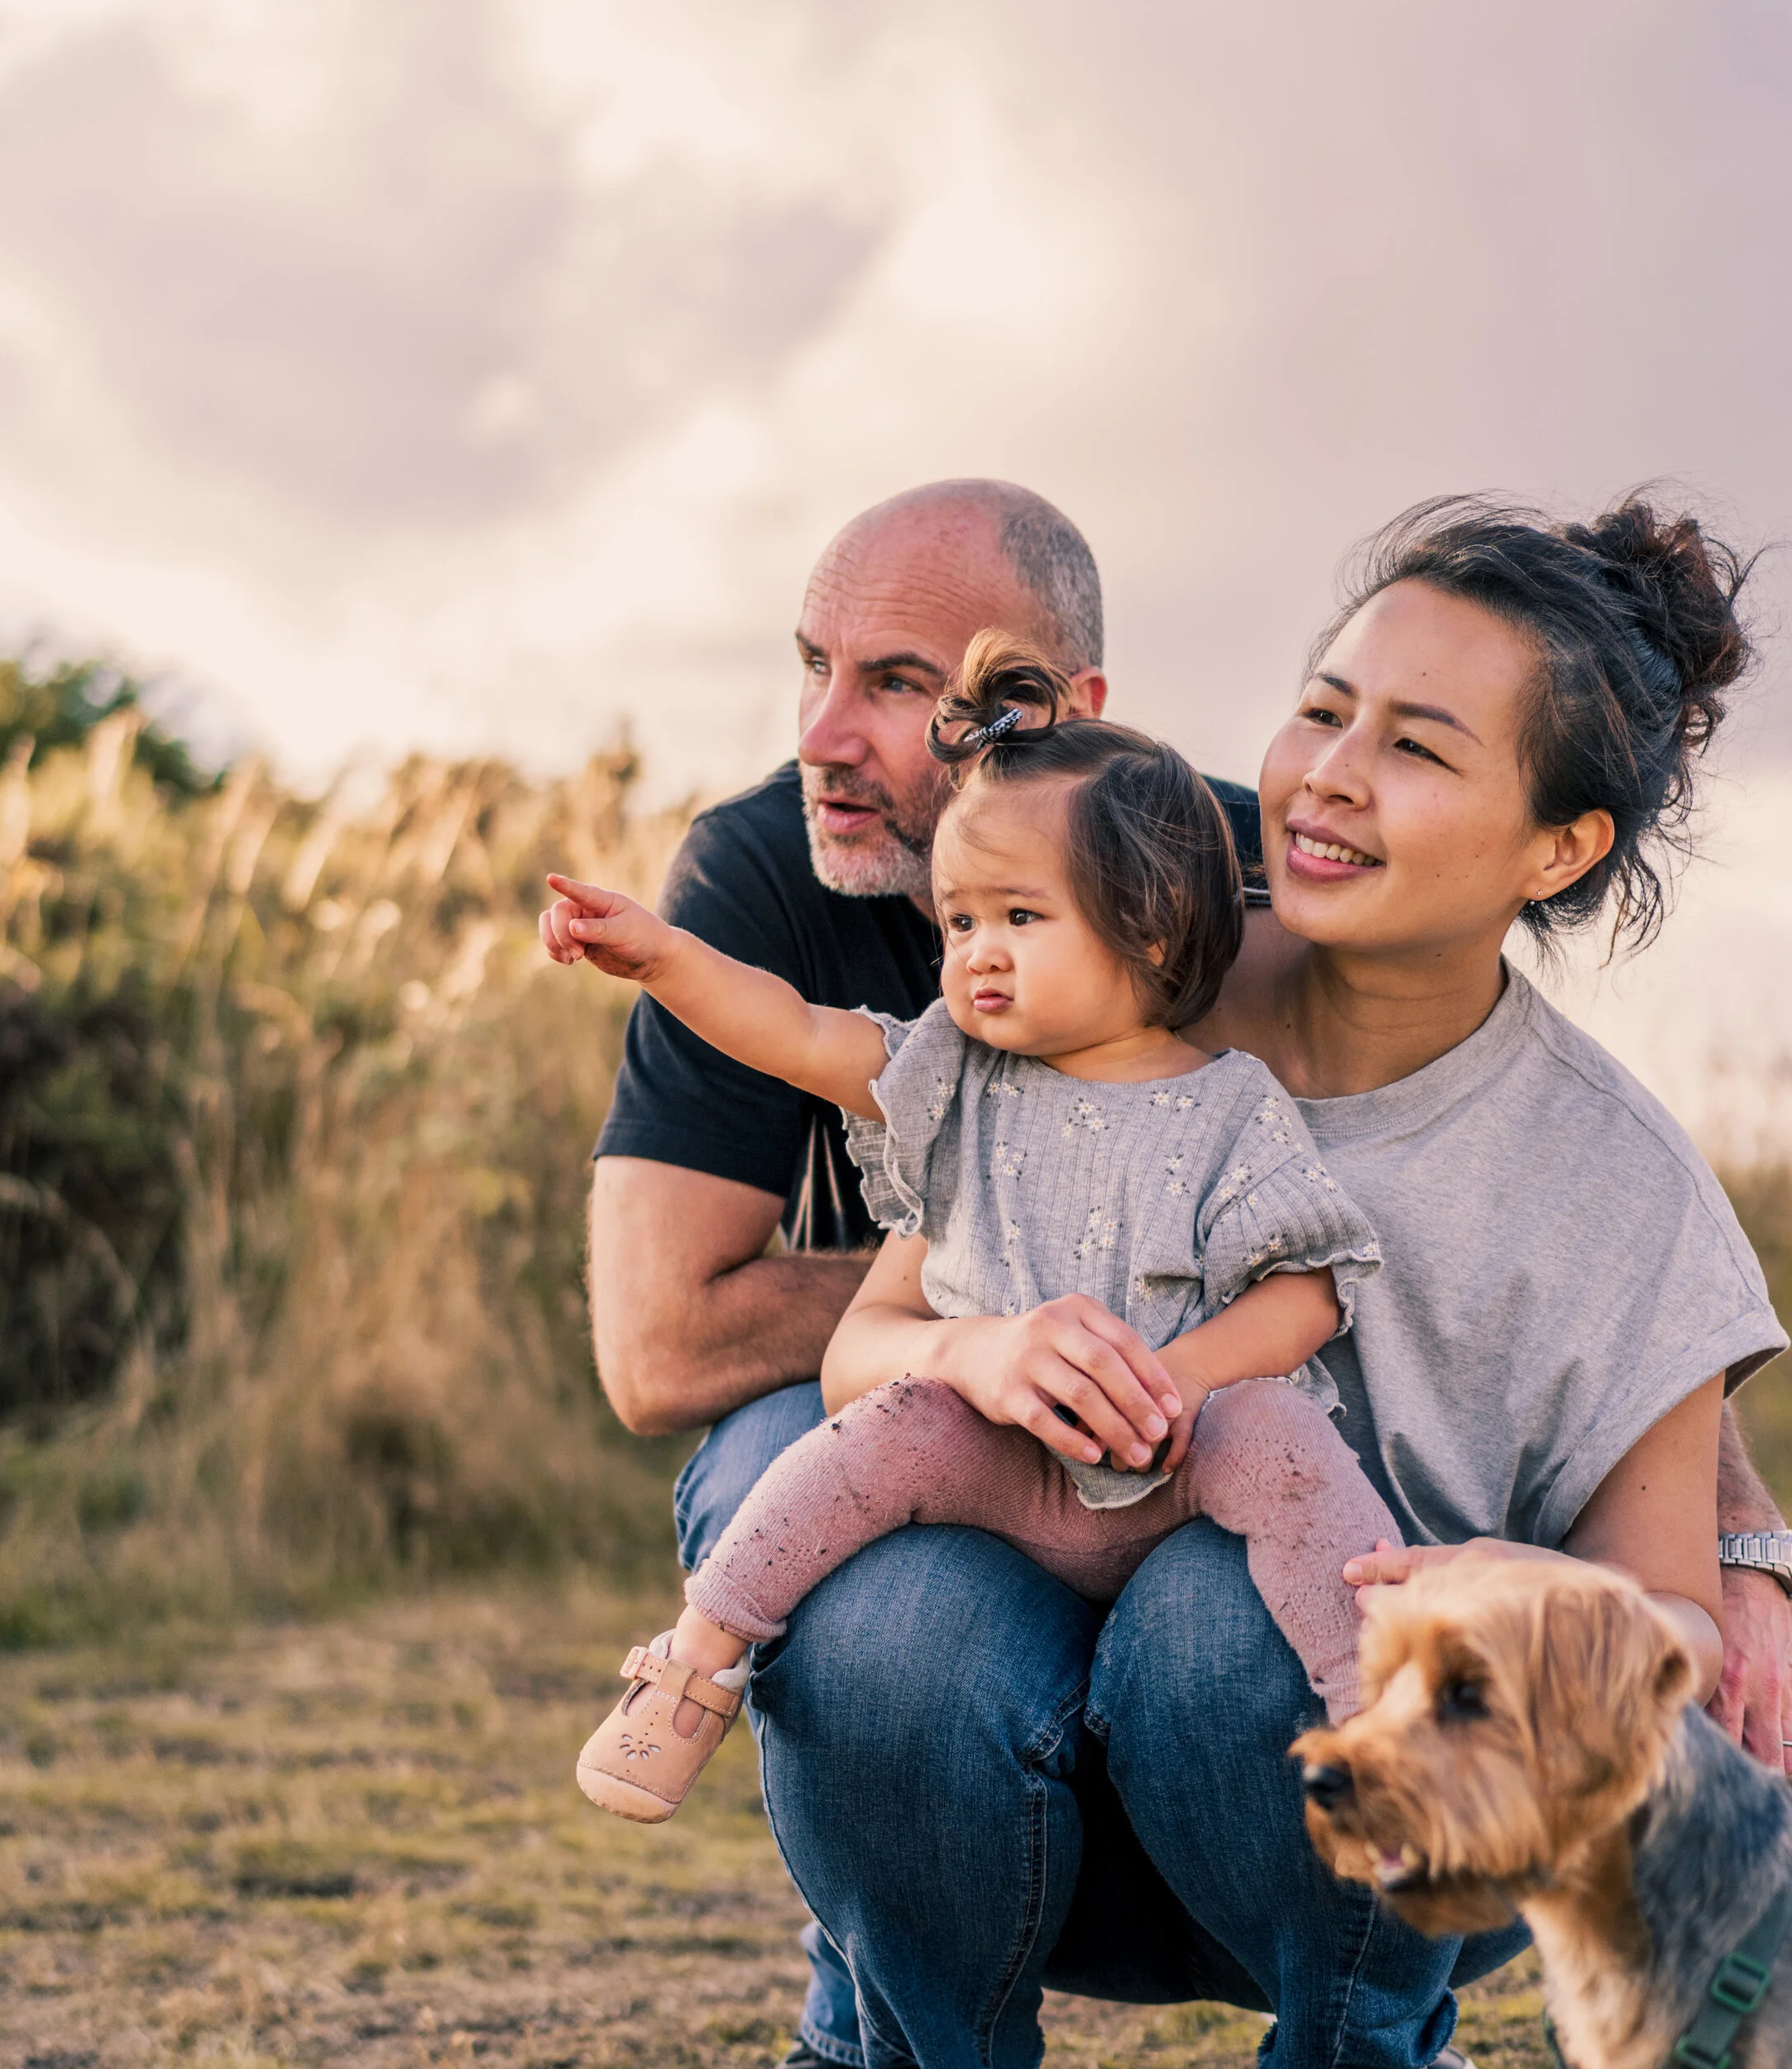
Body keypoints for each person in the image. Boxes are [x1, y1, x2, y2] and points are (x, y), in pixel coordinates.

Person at [587, 480, 1792, 2069]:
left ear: (1555, 849)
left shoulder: (1611, 1184)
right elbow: (867, 1346)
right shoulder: (1102, 981)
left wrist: (1623, 1579)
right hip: (1023, 1798)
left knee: (1207, 1613)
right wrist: (972, 1350)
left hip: (1347, 1819)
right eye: (1321, 710)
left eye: (1417, 749)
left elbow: (1659, 1616)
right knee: (860, 1556)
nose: (1325, 776)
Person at [549, 634, 1397, 1839]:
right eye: (956, 919)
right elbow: (794, 1030)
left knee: (1284, 1432)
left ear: (1150, 927)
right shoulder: (957, 1076)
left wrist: (1182, 1380)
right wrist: (669, 960)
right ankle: (699, 1656)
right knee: (883, 1427)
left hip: (1174, 1465)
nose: (973, 952)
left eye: (1018, 915)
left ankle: (1379, 1722)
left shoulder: (1232, 1103)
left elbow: (1308, 1290)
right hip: (999, 1464)